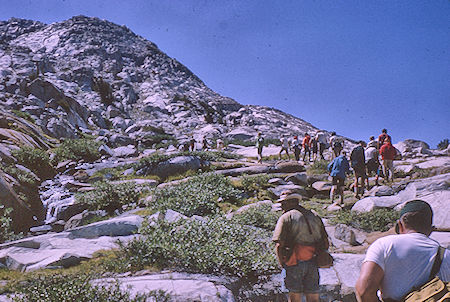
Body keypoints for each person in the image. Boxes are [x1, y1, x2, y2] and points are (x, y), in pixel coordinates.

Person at [355, 200, 450, 302]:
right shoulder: (446, 255)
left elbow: (364, 291)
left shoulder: (384, 245)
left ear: (400, 225)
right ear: (431, 229)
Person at [273, 192, 330, 302]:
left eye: (283, 203)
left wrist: (282, 264)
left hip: (293, 262)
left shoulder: (286, 217)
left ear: (290, 202)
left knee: (294, 297)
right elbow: (325, 242)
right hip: (313, 261)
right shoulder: (314, 215)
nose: (281, 206)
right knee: (313, 296)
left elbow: (279, 244)